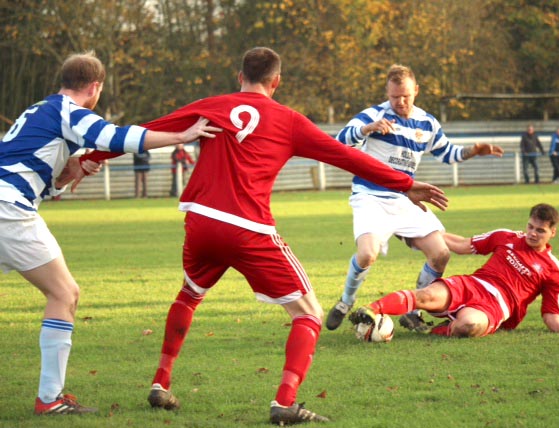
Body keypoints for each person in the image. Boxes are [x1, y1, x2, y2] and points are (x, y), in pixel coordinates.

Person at [80, 47, 448, 425]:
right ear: (277, 82)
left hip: (200, 221)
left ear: (240, 78)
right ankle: (284, 403)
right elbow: (346, 156)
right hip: (247, 229)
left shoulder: (213, 104)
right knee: (309, 314)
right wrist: (405, 183)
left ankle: (160, 383)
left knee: (189, 295)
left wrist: (89, 158)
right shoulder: (289, 121)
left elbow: (148, 130)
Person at [0, 51, 220, 416]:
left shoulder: (40, 109)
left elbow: (28, 164)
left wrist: (67, 172)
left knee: (63, 292)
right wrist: (184, 134)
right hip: (8, 210)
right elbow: (116, 137)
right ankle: (50, 398)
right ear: (95, 87)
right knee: (64, 293)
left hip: (8, 202)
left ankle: (50, 397)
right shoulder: (70, 111)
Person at [325, 64, 504, 333]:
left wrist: (473, 151)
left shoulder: (428, 122)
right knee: (367, 255)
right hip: (371, 196)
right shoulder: (372, 115)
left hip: (407, 198)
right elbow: (339, 143)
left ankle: (413, 311)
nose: (400, 102)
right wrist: (366, 130)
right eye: (395, 96)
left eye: (406, 96)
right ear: (387, 92)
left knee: (440, 254)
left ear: (416, 91)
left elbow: (448, 154)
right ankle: (345, 302)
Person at [349, 203, 559, 338]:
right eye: (530, 226)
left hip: (496, 307)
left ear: (553, 232)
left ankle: (433, 331)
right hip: (472, 284)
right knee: (425, 296)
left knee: (468, 326)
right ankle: (370, 310)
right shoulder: (506, 237)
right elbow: (462, 245)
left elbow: (550, 313)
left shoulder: (553, 270)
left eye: (540, 230)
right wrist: (418, 230)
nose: (532, 233)